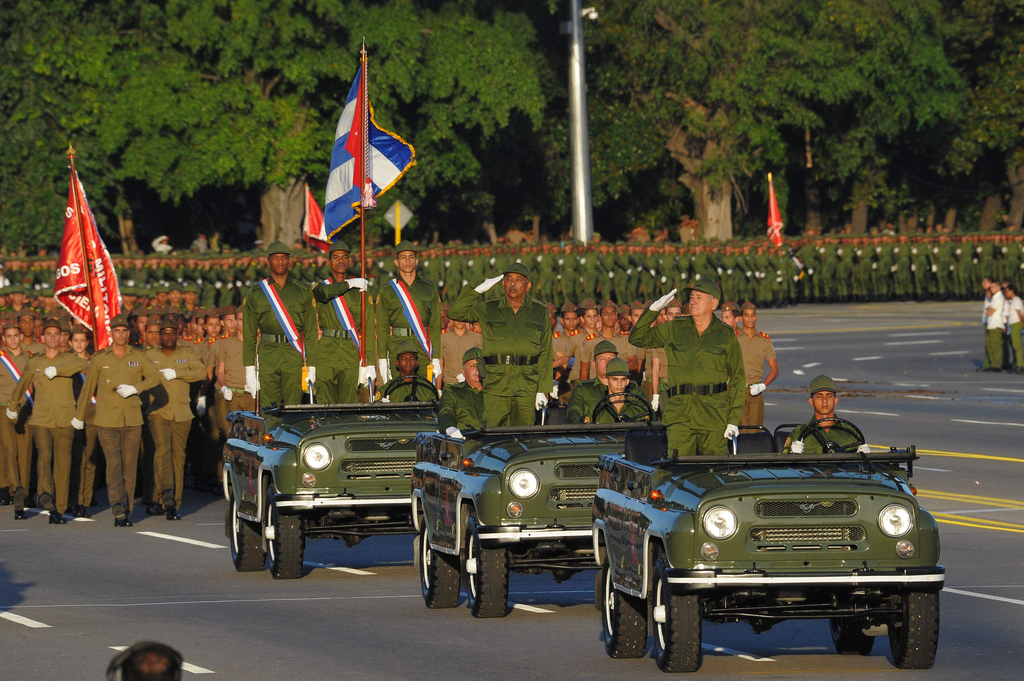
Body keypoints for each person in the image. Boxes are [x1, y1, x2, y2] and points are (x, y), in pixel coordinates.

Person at [629, 280, 745, 457]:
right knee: (679, 470)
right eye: (691, 297)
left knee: (714, 471)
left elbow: (738, 379)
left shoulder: (726, 335)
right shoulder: (674, 328)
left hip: (714, 415)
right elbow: (637, 338)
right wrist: (653, 310)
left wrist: (733, 420)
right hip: (681, 415)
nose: (693, 301)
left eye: (699, 297)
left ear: (713, 304)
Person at [74, 313, 161, 527]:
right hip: (106, 420)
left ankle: (127, 508)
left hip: (132, 419)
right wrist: (78, 415)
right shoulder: (100, 358)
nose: (121, 334)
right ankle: (117, 506)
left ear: (128, 333)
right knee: (114, 463)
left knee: (129, 466)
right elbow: (88, 388)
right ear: (111, 333)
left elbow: (155, 377)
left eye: (124, 331)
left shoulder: (138, 356)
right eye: (117, 331)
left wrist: (136, 388)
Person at [449, 263, 553, 427]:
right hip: (496, 383)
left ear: (528, 285)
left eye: (519, 280)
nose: (513, 284)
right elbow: (455, 312)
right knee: (493, 431)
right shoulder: (488, 308)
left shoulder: (539, 311)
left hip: (527, 384)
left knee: (524, 433)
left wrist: (542, 389)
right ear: (503, 283)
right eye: (509, 279)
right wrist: (477, 291)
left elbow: (546, 352)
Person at [6, 318, 89, 523]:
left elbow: (84, 363)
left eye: (57, 334)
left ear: (62, 337)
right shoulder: (35, 361)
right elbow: (23, 383)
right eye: (49, 334)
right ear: (42, 338)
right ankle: (45, 492)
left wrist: (58, 371)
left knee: (63, 464)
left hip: (64, 418)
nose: (53, 337)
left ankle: (57, 510)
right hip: (42, 418)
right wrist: (12, 406)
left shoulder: (69, 359)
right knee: (44, 455)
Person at [242, 241, 319, 408]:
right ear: (268, 262)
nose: (280, 261)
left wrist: (312, 365)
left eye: (284, 258)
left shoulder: (302, 291)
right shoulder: (256, 293)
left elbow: (311, 331)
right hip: (268, 352)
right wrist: (249, 368)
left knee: (293, 406)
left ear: (289, 261)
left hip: (293, 353)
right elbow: (249, 333)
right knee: (269, 408)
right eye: (275, 258)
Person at [145, 316, 207, 520]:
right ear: (159, 336)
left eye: (173, 333)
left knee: (178, 457)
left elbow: (201, 373)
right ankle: (165, 493)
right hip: (158, 411)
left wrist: (178, 373)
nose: (169, 337)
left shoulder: (187, 353)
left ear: (177, 335)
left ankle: (172, 504)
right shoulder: (149, 355)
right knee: (162, 449)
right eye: (165, 333)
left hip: (181, 412)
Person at [310, 240, 375, 402]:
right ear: (329, 262)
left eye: (344, 257)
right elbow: (324, 294)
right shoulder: (321, 287)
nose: (340, 261)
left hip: (350, 351)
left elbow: (367, 328)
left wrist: (369, 363)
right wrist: (350, 283)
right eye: (336, 257)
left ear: (349, 261)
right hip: (326, 350)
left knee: (349, 401)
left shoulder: (360, 292)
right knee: (325, 401)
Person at [375, 240, 442, 383]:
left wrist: (436, 356)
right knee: (398, 393)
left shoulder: (429, 289)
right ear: (396, 262)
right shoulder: (387, 290)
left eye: (411, 257)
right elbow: (382, 328)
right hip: (397, 345)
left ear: (416, 261)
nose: (407, 260)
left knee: (426, 391)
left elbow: (435, 325)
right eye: (403, 257)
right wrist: (382, 358)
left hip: (422, 345)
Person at [782, 375, 871, 455]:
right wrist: (792, 454)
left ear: (835, 401)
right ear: (811, 402)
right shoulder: (799, 432)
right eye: (819, 396)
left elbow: (860, 469)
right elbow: (782, 466)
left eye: (829, 396)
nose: (824, 400)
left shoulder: (850, 432)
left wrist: (863, 456)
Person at [567, 342, 645, 423]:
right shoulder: (583, 389)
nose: (608, 363)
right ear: (594, 365)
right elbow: (574, 412)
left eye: (611, 359)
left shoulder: (633, 388)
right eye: (602, 359)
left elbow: (648, 415)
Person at [0, 319, 33, 515]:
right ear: (4, 339)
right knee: (10, 451)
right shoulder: (1, 358)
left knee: (25, 453)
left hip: (25, 410)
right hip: (3, 410)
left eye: (16, 336)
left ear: (21, 337)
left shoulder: (31, 358)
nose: (13, 340)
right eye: (9, 336)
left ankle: (25, 491)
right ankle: (15, 489)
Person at [69, 326, 99, 517]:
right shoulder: (66, 362)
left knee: (90, 458)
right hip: (72, 411)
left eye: (83, 340)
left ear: (87, 342)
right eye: (76, 340)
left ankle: (84, 501)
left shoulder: (95, 362)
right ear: (70, 342)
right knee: (75, 458)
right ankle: (73, 499)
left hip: (92, 411)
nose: (79, 344)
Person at [736, 301, 779, 427]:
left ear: (756, 317)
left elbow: (774, 369)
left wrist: (763, 386)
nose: (750, 318)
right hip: (738, 390)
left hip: (756, 391)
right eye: (746, 315)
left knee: (756, 432)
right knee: (741, 431)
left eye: (753, 315)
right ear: (741, 318)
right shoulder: (734, 338)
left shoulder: (764, 340)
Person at [439, 347, 486, 438]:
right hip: (464, 442)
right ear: (463, 371)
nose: (477, 370)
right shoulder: (452, 392)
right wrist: (451, 429)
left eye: (480, 365)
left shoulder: (494, 392)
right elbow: (446, 413)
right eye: (472, 366)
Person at [439, 315, 482, 387]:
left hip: (471, 383)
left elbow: (482, 362)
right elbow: (440, 364)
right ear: (451, 320)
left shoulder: (477, 337)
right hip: (450, 383)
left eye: (462, 317)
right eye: (457, 318)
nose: (460, 321)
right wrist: (438, 389)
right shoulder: (443, 338)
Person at [981, 276, 1006, 372]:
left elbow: (990, 312)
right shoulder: (995, 297)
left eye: (993, 287)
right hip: (992, 324)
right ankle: (992, 364)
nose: (991, 289)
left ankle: (996, 365)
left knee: (995, 345)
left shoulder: (999, 297)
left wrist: (989, 310)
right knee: (990, 344)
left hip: (996, 324)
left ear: (998, 287)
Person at [1004, 282, 1024, 373]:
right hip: (1013, 324)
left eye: (1007, 291)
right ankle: (1017, 364)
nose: (1006, 293)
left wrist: (1023, 323)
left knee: (1017, 346)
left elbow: (1020, 314)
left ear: (1012, 291)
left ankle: (1020, 365)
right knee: (1014, 345)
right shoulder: (1014, 300)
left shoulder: (1016, 300)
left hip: (1016, 324)